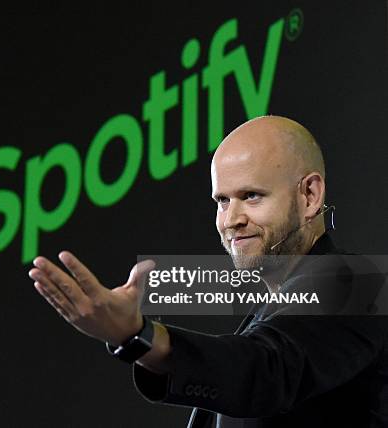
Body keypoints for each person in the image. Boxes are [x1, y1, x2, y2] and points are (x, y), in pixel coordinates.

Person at [28, 116, 388, 427]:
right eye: (222, 200)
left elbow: (264, 370)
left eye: (251, 196)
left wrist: (140, 335)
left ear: (309, 196)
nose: (232, 220)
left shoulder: (359, 284)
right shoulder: (267, 317)